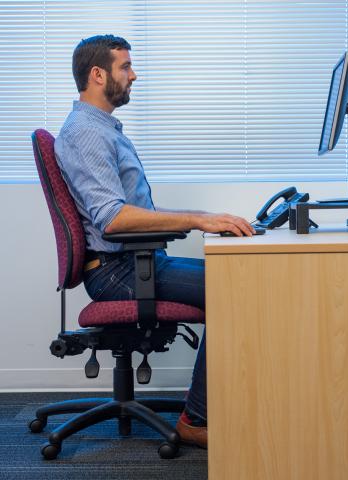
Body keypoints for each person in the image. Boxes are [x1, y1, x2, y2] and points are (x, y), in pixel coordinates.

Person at [54, 34, 255, 449]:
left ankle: (215, 404)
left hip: (134, 264)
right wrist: (199, 220)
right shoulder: (87, 133)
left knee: (242, 277)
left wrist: (201, 221)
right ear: (97, 74)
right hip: (118, 271)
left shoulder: (102, 128)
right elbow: (112, 218)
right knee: (238, 291)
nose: (134, 74)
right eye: (125, 67)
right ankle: (196, 419)